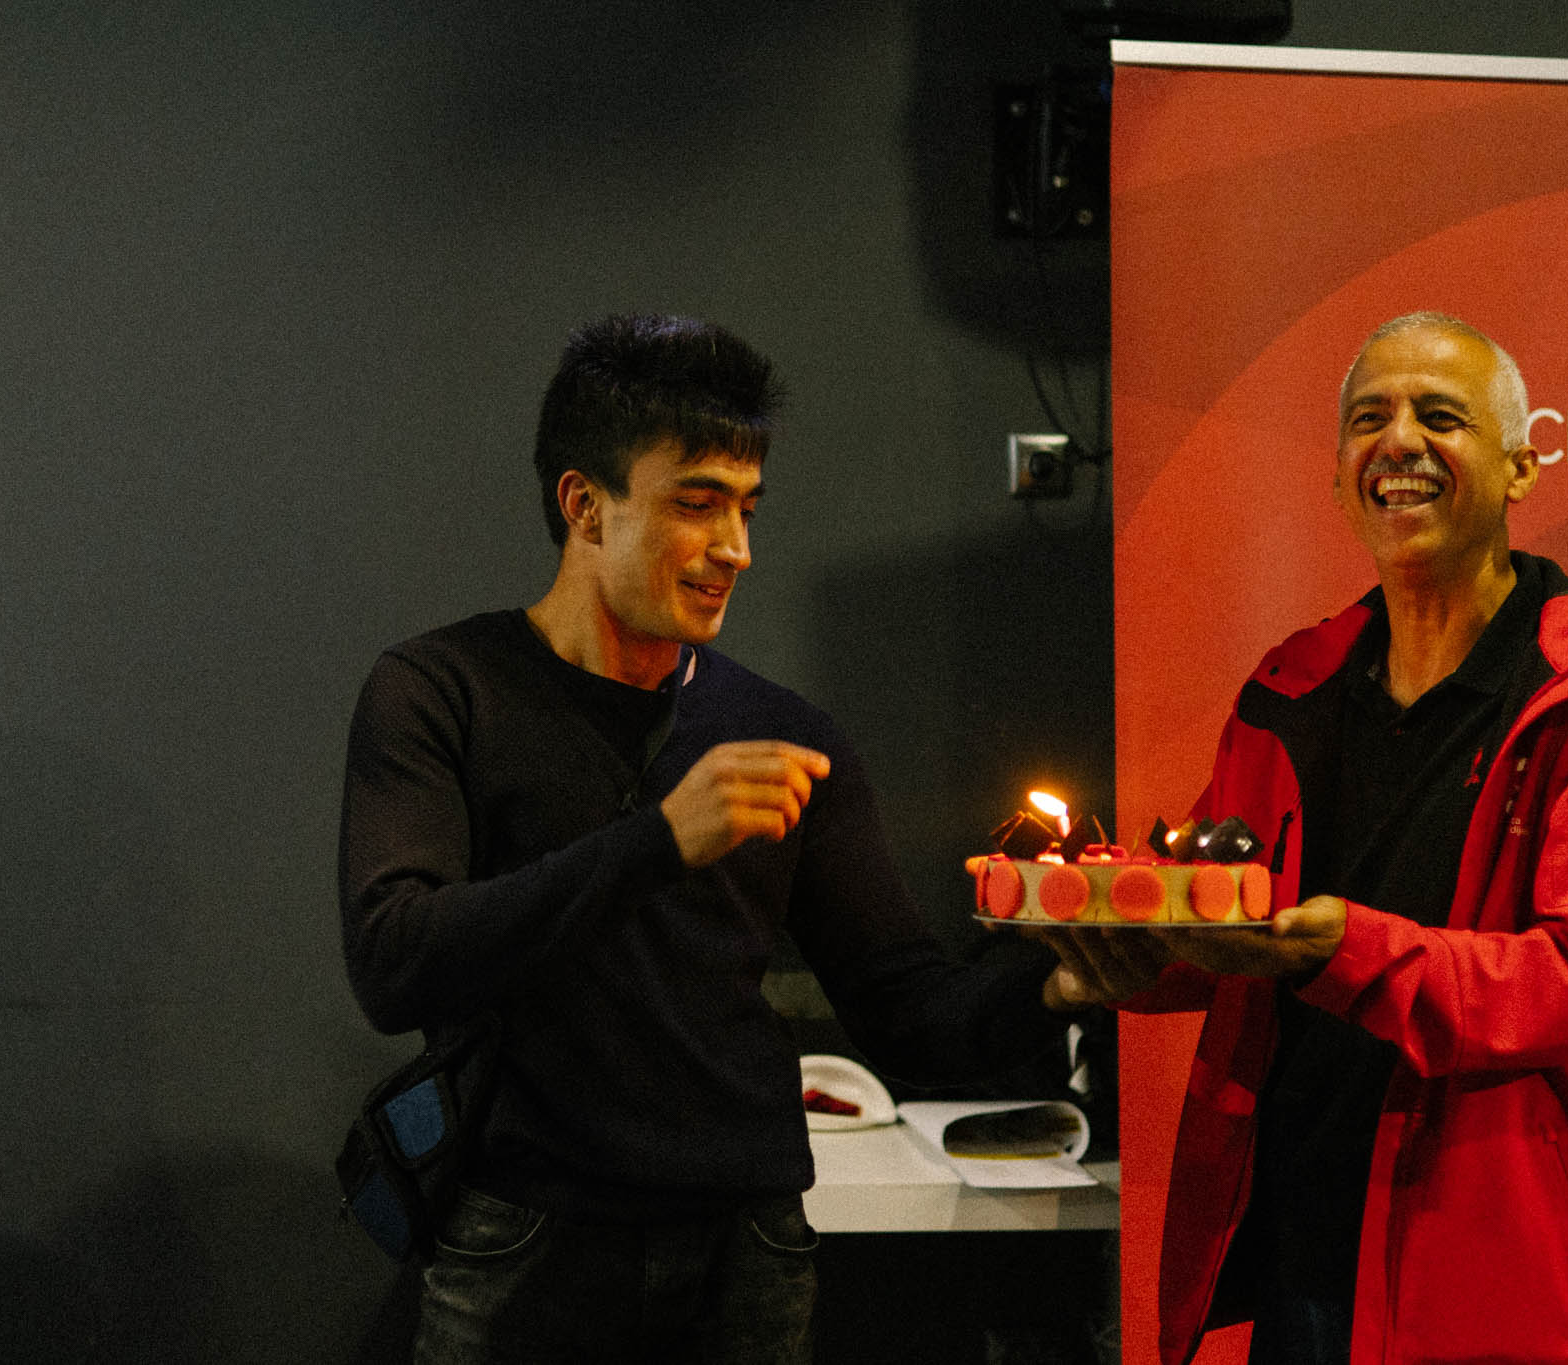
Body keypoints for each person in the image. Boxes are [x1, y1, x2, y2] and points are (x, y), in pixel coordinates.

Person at [340, 313, 1079, 1364]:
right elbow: (394, 960)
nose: (735, 547)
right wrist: (658, 840)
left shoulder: (785, 735)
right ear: (584, 506)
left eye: (745, 506)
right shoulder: (441, 692)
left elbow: (909, 1010)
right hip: (527, 1239)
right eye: (697, 504)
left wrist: (1061, 981)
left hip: (748, 1247)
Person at [1044, 312, 1568, 1363]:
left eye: (1440, 416)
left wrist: (1338, 948)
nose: (1398, 442)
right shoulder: (1289, 687)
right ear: (1340, 476)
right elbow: (1232, 930)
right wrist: (1127, 957)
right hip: (1303, 1253)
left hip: (1499, 1274)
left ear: (1521, 468)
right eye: (1367, 419)